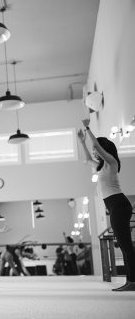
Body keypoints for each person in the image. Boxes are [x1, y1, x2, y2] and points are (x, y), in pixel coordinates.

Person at [78, 120, 135, 291]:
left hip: (119, 205)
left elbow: (97, 145)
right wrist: (82, 142)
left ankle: (132, 282)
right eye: (95, 151)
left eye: (97, 150)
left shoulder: (111, 163)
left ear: (103, 150)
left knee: (126, 246)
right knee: (125, 245)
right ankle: (130, 281)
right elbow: (87, 160)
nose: (95, 153)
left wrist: (88, 129)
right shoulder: (102, 167)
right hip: (114, 206)